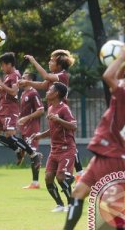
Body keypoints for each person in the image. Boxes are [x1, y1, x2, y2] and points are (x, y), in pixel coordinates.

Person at [41, 45, 125, 230]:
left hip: (113, 157)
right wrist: (124, 62)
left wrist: (122, 57)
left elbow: (108, 76)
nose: (124, 79)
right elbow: (114, 77)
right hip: (104, 155)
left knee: (113, 207)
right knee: (78, 192)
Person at [20, 50, 84, 180]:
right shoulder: (55, 75)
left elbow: (45, 77)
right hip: (53, 111)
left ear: (59, 65)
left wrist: (33, 60)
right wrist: (28, 83)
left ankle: (80, 173)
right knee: (66, 142)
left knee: (69, 143)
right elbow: (43, 84)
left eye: (52, 60)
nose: (49, 62)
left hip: (62, 112)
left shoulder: (62, 75)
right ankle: (80, 173)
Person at [0, 52, 42, 169]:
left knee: (10, 136)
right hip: (2, 109)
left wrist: (0, 84)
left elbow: (14, 92)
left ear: (10, 64)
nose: (2, 68)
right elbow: (8, 92)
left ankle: (33, 155)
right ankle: (17, 149)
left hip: (10, 110)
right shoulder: (8, 76)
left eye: (3, 65)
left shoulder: (15, 75)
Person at [33, 82, 77, 212]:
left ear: (56, 93)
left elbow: (73, 126)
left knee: (60, 177)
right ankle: (60, 204)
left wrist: (59, 119)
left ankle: (71, 204)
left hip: (67, 149)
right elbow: (53, 129)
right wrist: (40, 135)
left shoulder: (64, 108)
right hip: (54, 150)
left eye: (50, 90)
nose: (47, 92)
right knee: (48, 178)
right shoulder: (51, 108)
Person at [18, 72, 44, 189]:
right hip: (24, 128)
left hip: (32, 127)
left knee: (33, 153)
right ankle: (37, 156)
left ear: (30, 80)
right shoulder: (23, 93)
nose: (21, 80)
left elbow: (41, 110)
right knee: (30, 153)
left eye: (23, 78)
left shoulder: (33, 93)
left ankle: (35, 183)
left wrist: (27, 118)